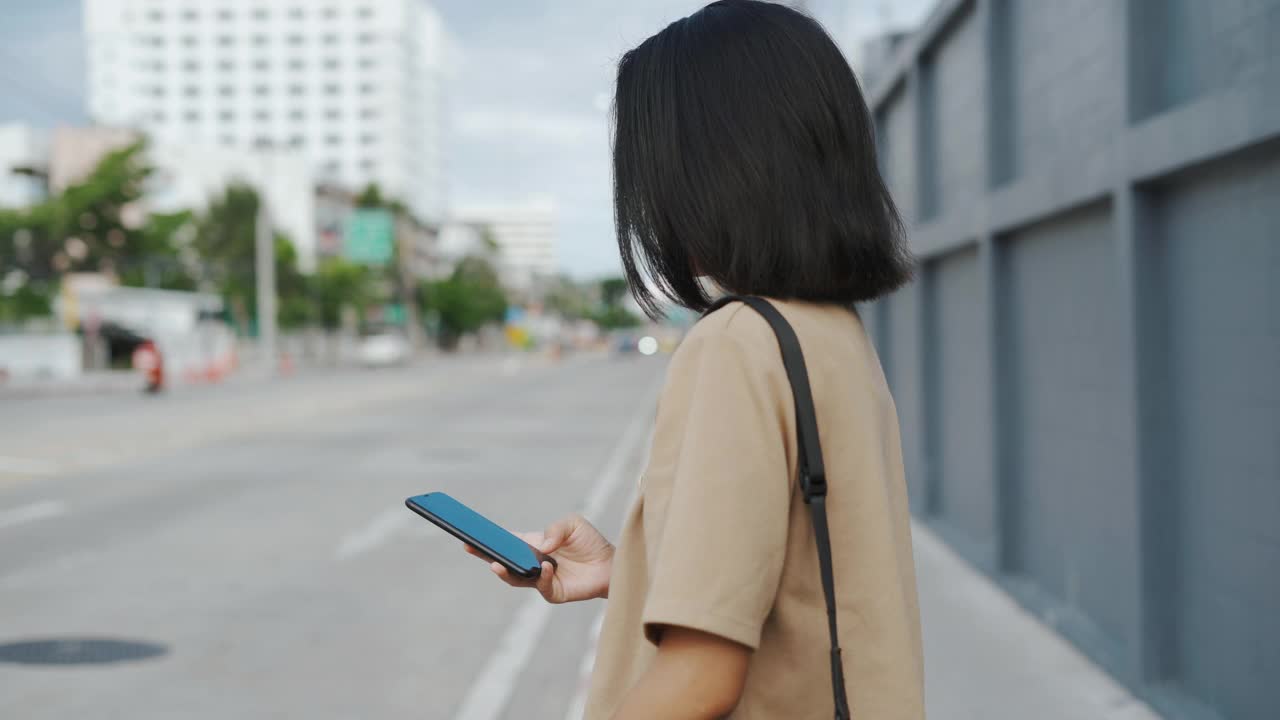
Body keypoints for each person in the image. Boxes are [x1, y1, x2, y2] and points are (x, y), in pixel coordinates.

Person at [467, 1, 923, 717]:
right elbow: (804, 584)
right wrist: (631, 571)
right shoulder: (830, 332)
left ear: (707, 173)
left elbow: (702, 677)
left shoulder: (737, 344)